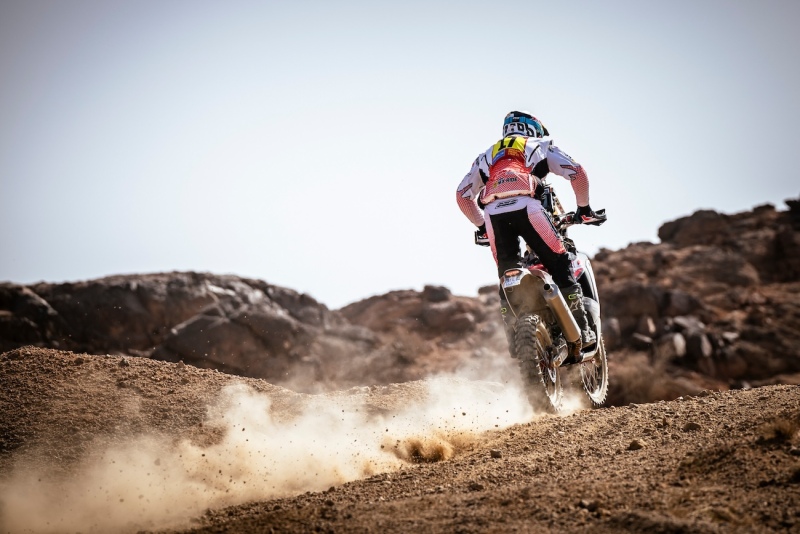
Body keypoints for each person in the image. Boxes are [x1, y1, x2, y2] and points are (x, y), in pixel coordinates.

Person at [456, 110, 602, 358]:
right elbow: (577, 172)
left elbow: (462, 195)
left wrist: (482, 227)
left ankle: (515, 340)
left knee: (507, 276)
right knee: (560, 262)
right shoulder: (540, 144)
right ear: (532, 129)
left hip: (492, 212)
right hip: (528, 207)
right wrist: (584, 209)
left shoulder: (486, 156)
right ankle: (585, 329)